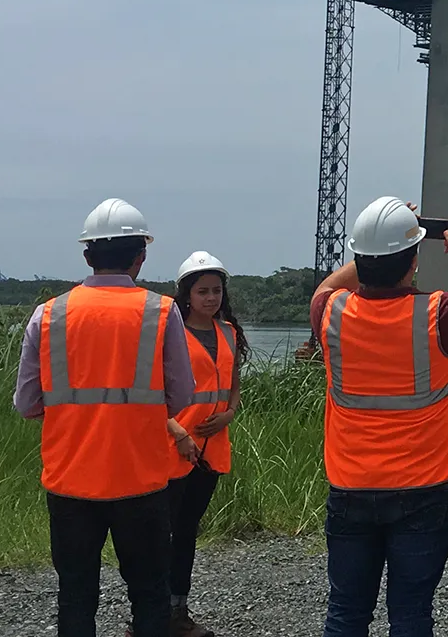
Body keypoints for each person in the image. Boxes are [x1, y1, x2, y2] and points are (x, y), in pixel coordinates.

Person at [312, 196, 448, 637]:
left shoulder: (330, 312)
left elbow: (325, 288)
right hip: (423, 490)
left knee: (345, 612)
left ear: (360, 258)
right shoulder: (440, 312)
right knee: (411, 614)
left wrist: (372, 242)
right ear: (414, 260)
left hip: (351, 486)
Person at [12, 199, 196, 637]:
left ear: (87, 255)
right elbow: (182, 393)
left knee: (76, 594)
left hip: (70, 482)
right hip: (140, 480)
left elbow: (26, 403)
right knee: (149, 592)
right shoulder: (160, 310)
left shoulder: (49, 314)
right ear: (141, 257)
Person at [165, 251, 250, 637]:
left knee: (186, 531)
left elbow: (232, 384)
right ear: (186, 294)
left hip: (211, 449)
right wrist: (179, 433)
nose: (211, 298)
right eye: (203, 291)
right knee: (161, 534)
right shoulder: (169, 333)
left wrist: (231, 412)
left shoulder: (228, 332)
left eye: (216, 290)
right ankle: (151, 614)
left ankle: (177, 612)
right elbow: (152, 392)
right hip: (173, 447)